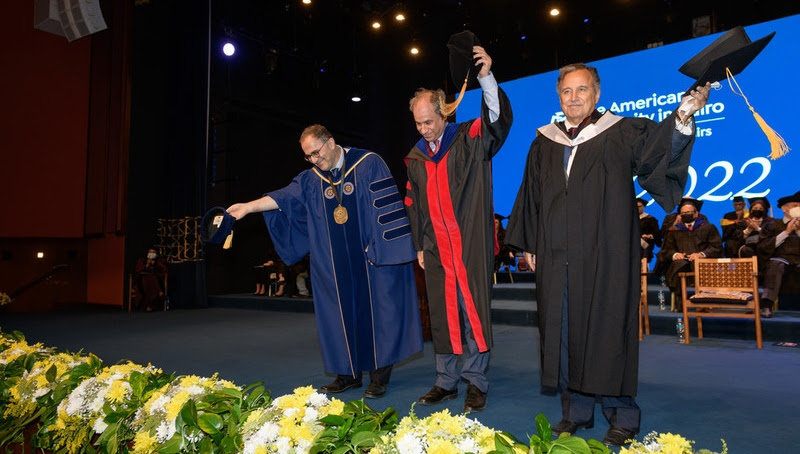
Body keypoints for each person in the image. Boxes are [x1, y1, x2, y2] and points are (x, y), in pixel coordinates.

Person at [505, 62, 711, 446]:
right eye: (567, 92)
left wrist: (683, 115)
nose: (574, 98)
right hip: (557, 254)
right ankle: (576, 412)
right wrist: (529, 243)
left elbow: (656, 156)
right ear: (559, 97)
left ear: (596, 94)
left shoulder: (622, 131)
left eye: (582, 90)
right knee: (564, 330)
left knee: (607, 328)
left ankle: (622, 414)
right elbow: (531, 194)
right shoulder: (544, 141)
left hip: (607, 252)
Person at [227, 124, 423, 399]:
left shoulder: (368, 164)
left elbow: (387, 209)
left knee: (377, 314)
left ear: (331, 142)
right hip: (333, 264)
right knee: (338, 317)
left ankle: (378, 376)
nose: (314, 160)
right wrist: (248, 207)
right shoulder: (312, 178)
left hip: (370, 259)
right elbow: (283, 197)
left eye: (316, 153)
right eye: (308, 157)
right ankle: (348, 375)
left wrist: (379, 248)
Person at [404, 42, 512, 413]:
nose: (424, 129)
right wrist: (419, 244)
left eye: (429, 122)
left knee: (473, 312)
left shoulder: (468, 139)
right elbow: (414, 205)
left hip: (468, 243)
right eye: (418, 123)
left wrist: (486, 78)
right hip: (435, 248)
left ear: (444, 115)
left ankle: (476, 382)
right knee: (443, 313)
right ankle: (445, 381)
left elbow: (498, 122)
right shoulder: (416, 158)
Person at [658, 197, 723, 310]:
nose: (686, 214)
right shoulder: (674, 230)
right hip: (683, 262)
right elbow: (666, 250)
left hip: (702, 262)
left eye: (689, 212)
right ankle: (681, 300)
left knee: (698, 264)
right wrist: (675, 255)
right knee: (678, 265)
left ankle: (703, 300)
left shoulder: (708, 227)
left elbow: (716, 247)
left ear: (696, 213)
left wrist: (701, 254)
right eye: (683, 213)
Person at [756, 190, 800, 318]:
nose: (798, 208)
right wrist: (787, 232)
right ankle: (767, 305)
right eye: (795, 206)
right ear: (785, 209)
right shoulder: (773, 224)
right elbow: (764, 247)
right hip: (781, 259)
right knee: (775, 265)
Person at [133, 247, 168, 312]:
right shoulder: (142, 260)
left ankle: (150, 305)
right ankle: (159, 293)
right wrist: (147, 265)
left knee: (151, 278)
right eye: (150, 252)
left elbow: (164, 271)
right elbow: (137, 271)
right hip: (141, 282)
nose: (151, 254)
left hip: (154, 282)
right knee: (147, 278)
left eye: (153, 252)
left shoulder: (159, 261)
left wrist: (155, 266)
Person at [637, 198, 661, 265]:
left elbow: (657, 233)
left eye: (639, 206)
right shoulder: (630, 219)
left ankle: (644, 264)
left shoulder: (651, 219)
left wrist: (650, 236)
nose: (637, 208)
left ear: (644, 206)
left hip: (646, 243)